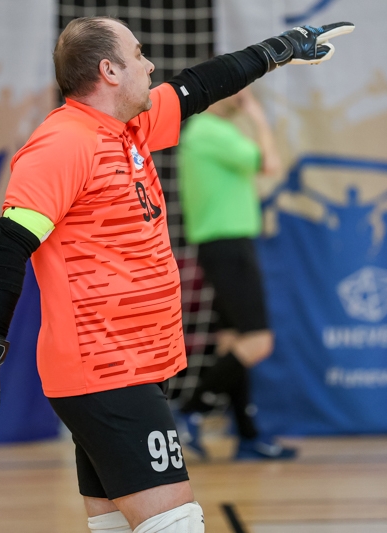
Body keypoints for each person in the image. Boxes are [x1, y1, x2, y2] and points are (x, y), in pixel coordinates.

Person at [0, 17, 354, 533]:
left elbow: (200, 84)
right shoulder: (63, 143)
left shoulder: (131, 128)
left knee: (117, 527)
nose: (150, 66)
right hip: (105, 370)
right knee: (176, 525)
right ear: (109, 71)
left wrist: (279, 49)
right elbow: (4, 247)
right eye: (138, 54)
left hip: (136, 366)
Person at [175, 88, 294, 461]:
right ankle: (189, 411)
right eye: (236, 88)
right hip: (227, 245)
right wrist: (257, 117)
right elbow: (270, 164)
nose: (243, 95)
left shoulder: (211, 131)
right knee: (258, 342)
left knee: (232, 342)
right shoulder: (210, 130)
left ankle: (247, 436)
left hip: (222, 245)